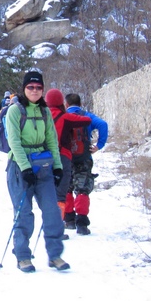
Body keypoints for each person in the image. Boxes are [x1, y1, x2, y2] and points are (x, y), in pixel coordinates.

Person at [5, 70, 69, 273]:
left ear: (43, 89)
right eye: (30, 87)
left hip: (43, 166)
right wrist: (25, 168)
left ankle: (55, 255)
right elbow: (14, 141)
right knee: (23, 213)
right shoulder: (14, 111)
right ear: (24, 89)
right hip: (19, 167)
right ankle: (23, 256)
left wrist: (57, 166)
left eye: (38, 87)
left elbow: (51, 139)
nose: (34, 90)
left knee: (52, 211)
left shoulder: (45, 111)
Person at [44, 88, 92, 238]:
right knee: (61, 193)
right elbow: (87, 121)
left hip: (44, 158)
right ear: (61, 102)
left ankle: (52, 225)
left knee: (48, 192)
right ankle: (58, 229)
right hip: (63, 157)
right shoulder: (65, 117)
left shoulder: (41, 116)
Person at [63, 92, 109, 236]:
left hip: (66, 157)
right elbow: (103, 124)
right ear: (80, 104)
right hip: (84, 157)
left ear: (66, 104)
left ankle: (69, 219)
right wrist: (98, 145)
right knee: (82, 189)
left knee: (66, 188)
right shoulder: (87, 116)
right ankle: (82, 224)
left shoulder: (63, 116)